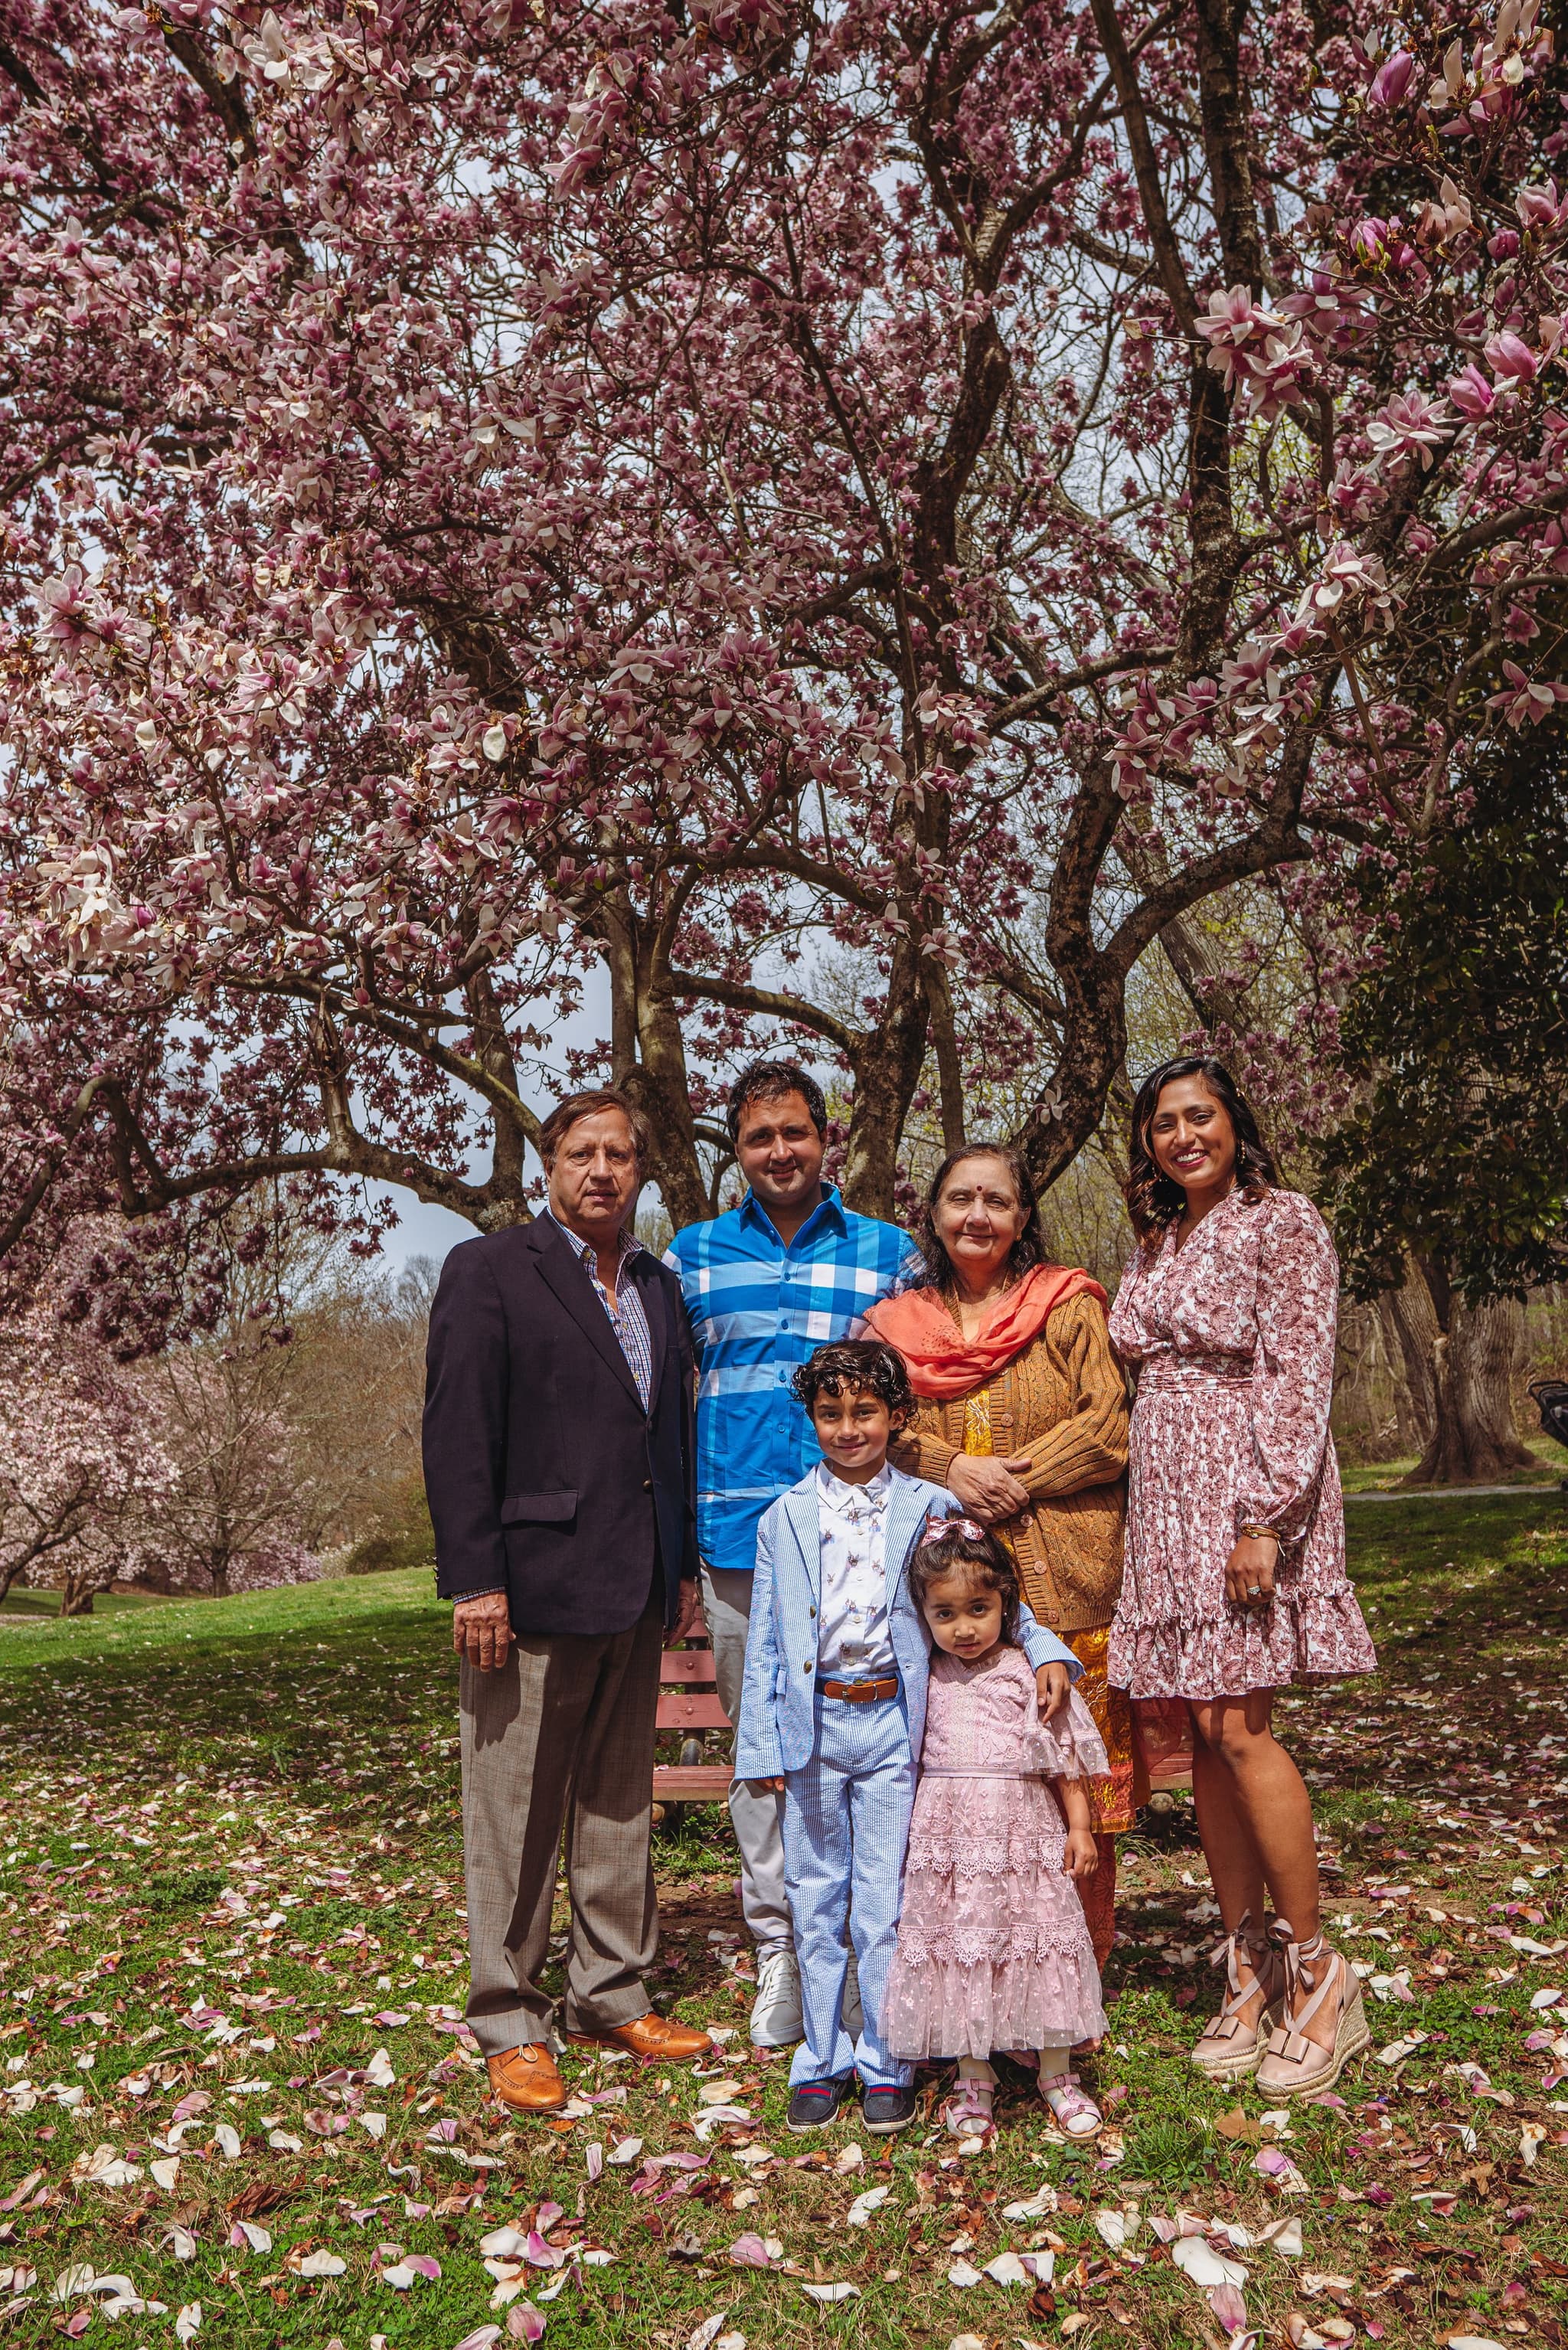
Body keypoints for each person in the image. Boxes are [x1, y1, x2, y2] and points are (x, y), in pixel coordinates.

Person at [423, 1087, 713, 2116]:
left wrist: (677, 1569)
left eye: (621, 1154)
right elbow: (458, 1431)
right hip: (528, 1587)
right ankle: (509, 2012)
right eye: (582, 1152)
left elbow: (665, 1439)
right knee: (515, 1809)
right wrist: (477, 1579)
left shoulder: (658, 1285)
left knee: (616, 1801)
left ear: (642, 1171)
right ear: (547, 1166)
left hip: (633, 1584)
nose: (603, 1170)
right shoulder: (491, 1270)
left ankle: (610, 1989)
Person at [1108, 1054, 1377, 2097]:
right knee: (1198, 1736)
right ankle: (1247, 1959)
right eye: (1163, 1123)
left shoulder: (1284, 1220)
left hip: (1242, 1485)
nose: (1182, 1135)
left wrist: (1266, 1515)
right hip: (1164, 1496)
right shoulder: (1158, 1238)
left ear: (1234, 1123)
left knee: (1239, 1728)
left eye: (1199, 1116)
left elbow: (1302, 1369)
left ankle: (1319, 1972)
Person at [734, 1339, 1083, 2135]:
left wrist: (1044, 1646)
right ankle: (818, 2057)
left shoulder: (926, 1508)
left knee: (886, 1901)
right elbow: (763, 1639)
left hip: (894, 1725)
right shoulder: (783, 1517)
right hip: (812, 1727)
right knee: (815, 1897)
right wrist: (760, 1746)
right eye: (830, 1414)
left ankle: (885, 2058)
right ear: (812, 1421)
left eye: (864, 1412)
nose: (848, 1428)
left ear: (896, 1417)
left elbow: (987, 1588)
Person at [665, 1060, 923, 2046]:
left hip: (859, 1534)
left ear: (827, 1140)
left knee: (874, 1747)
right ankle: (779, 1947)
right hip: (735, 1541)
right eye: (758, 1137)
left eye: (795, 1133)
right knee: (763, 1754)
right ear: (735, 1149)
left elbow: (919, 1388)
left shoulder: (886, 1253)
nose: (779, 1151)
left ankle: (861, 1946)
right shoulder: (690, 1256)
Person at [864, 1144, 1133, 1969]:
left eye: (996, 1201)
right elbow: (880, 1430)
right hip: (947, 1598)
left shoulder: (1066, 1305)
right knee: (967, 1787)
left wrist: (1011, 1480)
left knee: (1071, 1773)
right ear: (935, 1215)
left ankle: (1077, 1965)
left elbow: (1107, 1426)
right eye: (959, 1200)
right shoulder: (894, 1326)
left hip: (1068, 1577)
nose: (976, 1215)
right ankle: (977, 1965)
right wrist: (955, 1472)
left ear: (1021, 1219)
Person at [884, 1518, 1111, 2141]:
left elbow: (1062, 1755)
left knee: (1036, 1941)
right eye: (946, 1613)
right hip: (950, 1835)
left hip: (1022, 1830)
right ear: (924, 1615)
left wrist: (1081, 1827)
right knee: (962, 1944)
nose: (964, 1627)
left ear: (1006, 1602)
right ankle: (973, 2071)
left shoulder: (1024, 1669)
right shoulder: (925, 1671)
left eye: (979, 1609)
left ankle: (1058, 2072)